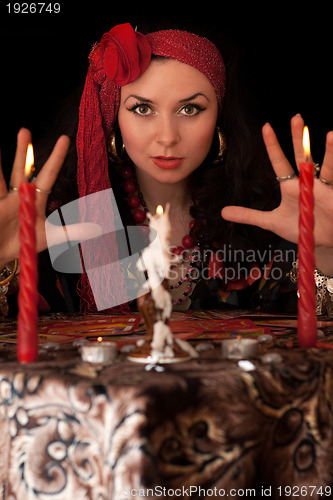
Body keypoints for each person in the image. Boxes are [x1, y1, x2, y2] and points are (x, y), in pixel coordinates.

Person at [1, 23, 333, 317]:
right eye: (142, 108)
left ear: (219, 117)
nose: (167, 137)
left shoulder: (272, 217)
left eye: (190, 108)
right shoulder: (56, 224)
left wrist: (326, 257)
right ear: (113, 117)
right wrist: (1, 263)